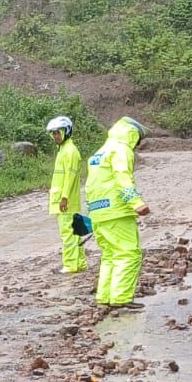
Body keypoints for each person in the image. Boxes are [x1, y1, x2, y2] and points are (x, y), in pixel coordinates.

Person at [84, 116, 152, 309]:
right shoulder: (121, 150)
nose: (138, 145)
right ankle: (121, 298)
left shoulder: (100, 152)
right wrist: (137, 203)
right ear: (132, 134)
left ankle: (105, 296)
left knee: (110, 255)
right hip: (117, 211)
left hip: (98, 211)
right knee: (128, 253)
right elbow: (123, 177)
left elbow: (90, 184)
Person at [45, 116, 87, 274]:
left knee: (68, 235)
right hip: (66, 200)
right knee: (75, 232)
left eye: (58, 133)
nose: (55, 136)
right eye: (53, 133)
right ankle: (80, 263)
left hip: (66, 202)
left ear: (66, 132)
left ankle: (70, 265)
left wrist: (64, 198)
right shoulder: (64, 150)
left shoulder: (69, 151)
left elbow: (69, 177)